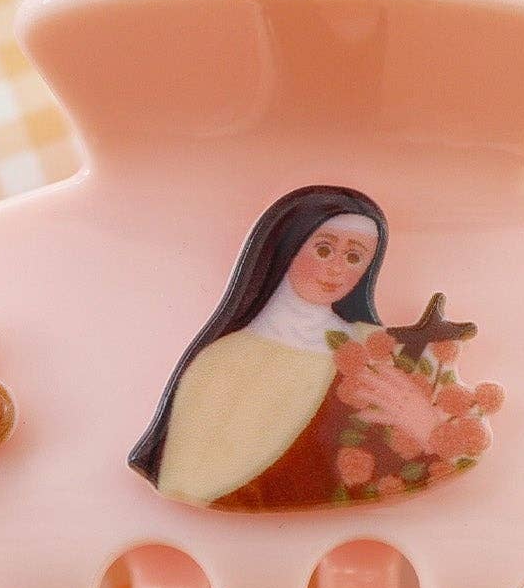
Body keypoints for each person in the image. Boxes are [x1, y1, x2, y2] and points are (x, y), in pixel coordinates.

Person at [129, 184, 470, 512]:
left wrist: (430, 431)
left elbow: (436, 461)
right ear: (286, 248)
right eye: (324, 249)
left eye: (354, 256)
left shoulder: (374, 349)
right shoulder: (223, 360)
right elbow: (188, 482)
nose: (337, 268)